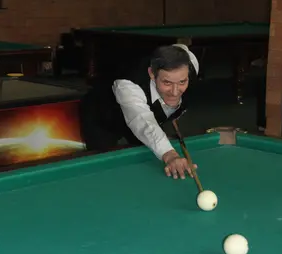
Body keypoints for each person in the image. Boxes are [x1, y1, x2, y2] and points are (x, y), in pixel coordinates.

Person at [79, 44, 199, 179]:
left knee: (147, 147)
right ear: (152, 74)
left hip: (147, 111)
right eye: (167, 83)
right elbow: (143, 122)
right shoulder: (128, 86)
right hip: (103, 115)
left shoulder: (190, 64)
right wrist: (170, 154)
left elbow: (180, 47)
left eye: (182, 82)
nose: (175, 92)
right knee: (103, 167)